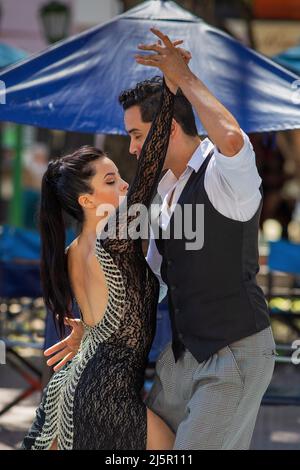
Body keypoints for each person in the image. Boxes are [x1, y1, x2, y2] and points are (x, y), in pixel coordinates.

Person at [44, 28, 276, 450]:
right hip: (181, 358)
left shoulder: (226, 175)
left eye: (136, 134)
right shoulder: (160, 194)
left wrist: (182, 77)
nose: (132, 149)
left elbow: (232, 138)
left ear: (166, 128)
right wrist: (96, 334)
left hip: (235, 351)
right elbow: (148, 281)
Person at [21, 34, 191, 451]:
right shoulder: (115, 236)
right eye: (112, 181)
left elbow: (100, 323)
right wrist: (170, 88)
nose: (126, 186)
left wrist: (90, 335)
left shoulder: (69, 251)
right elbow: (151, 163)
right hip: (103, 389)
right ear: (86, 200)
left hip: (75, 382)